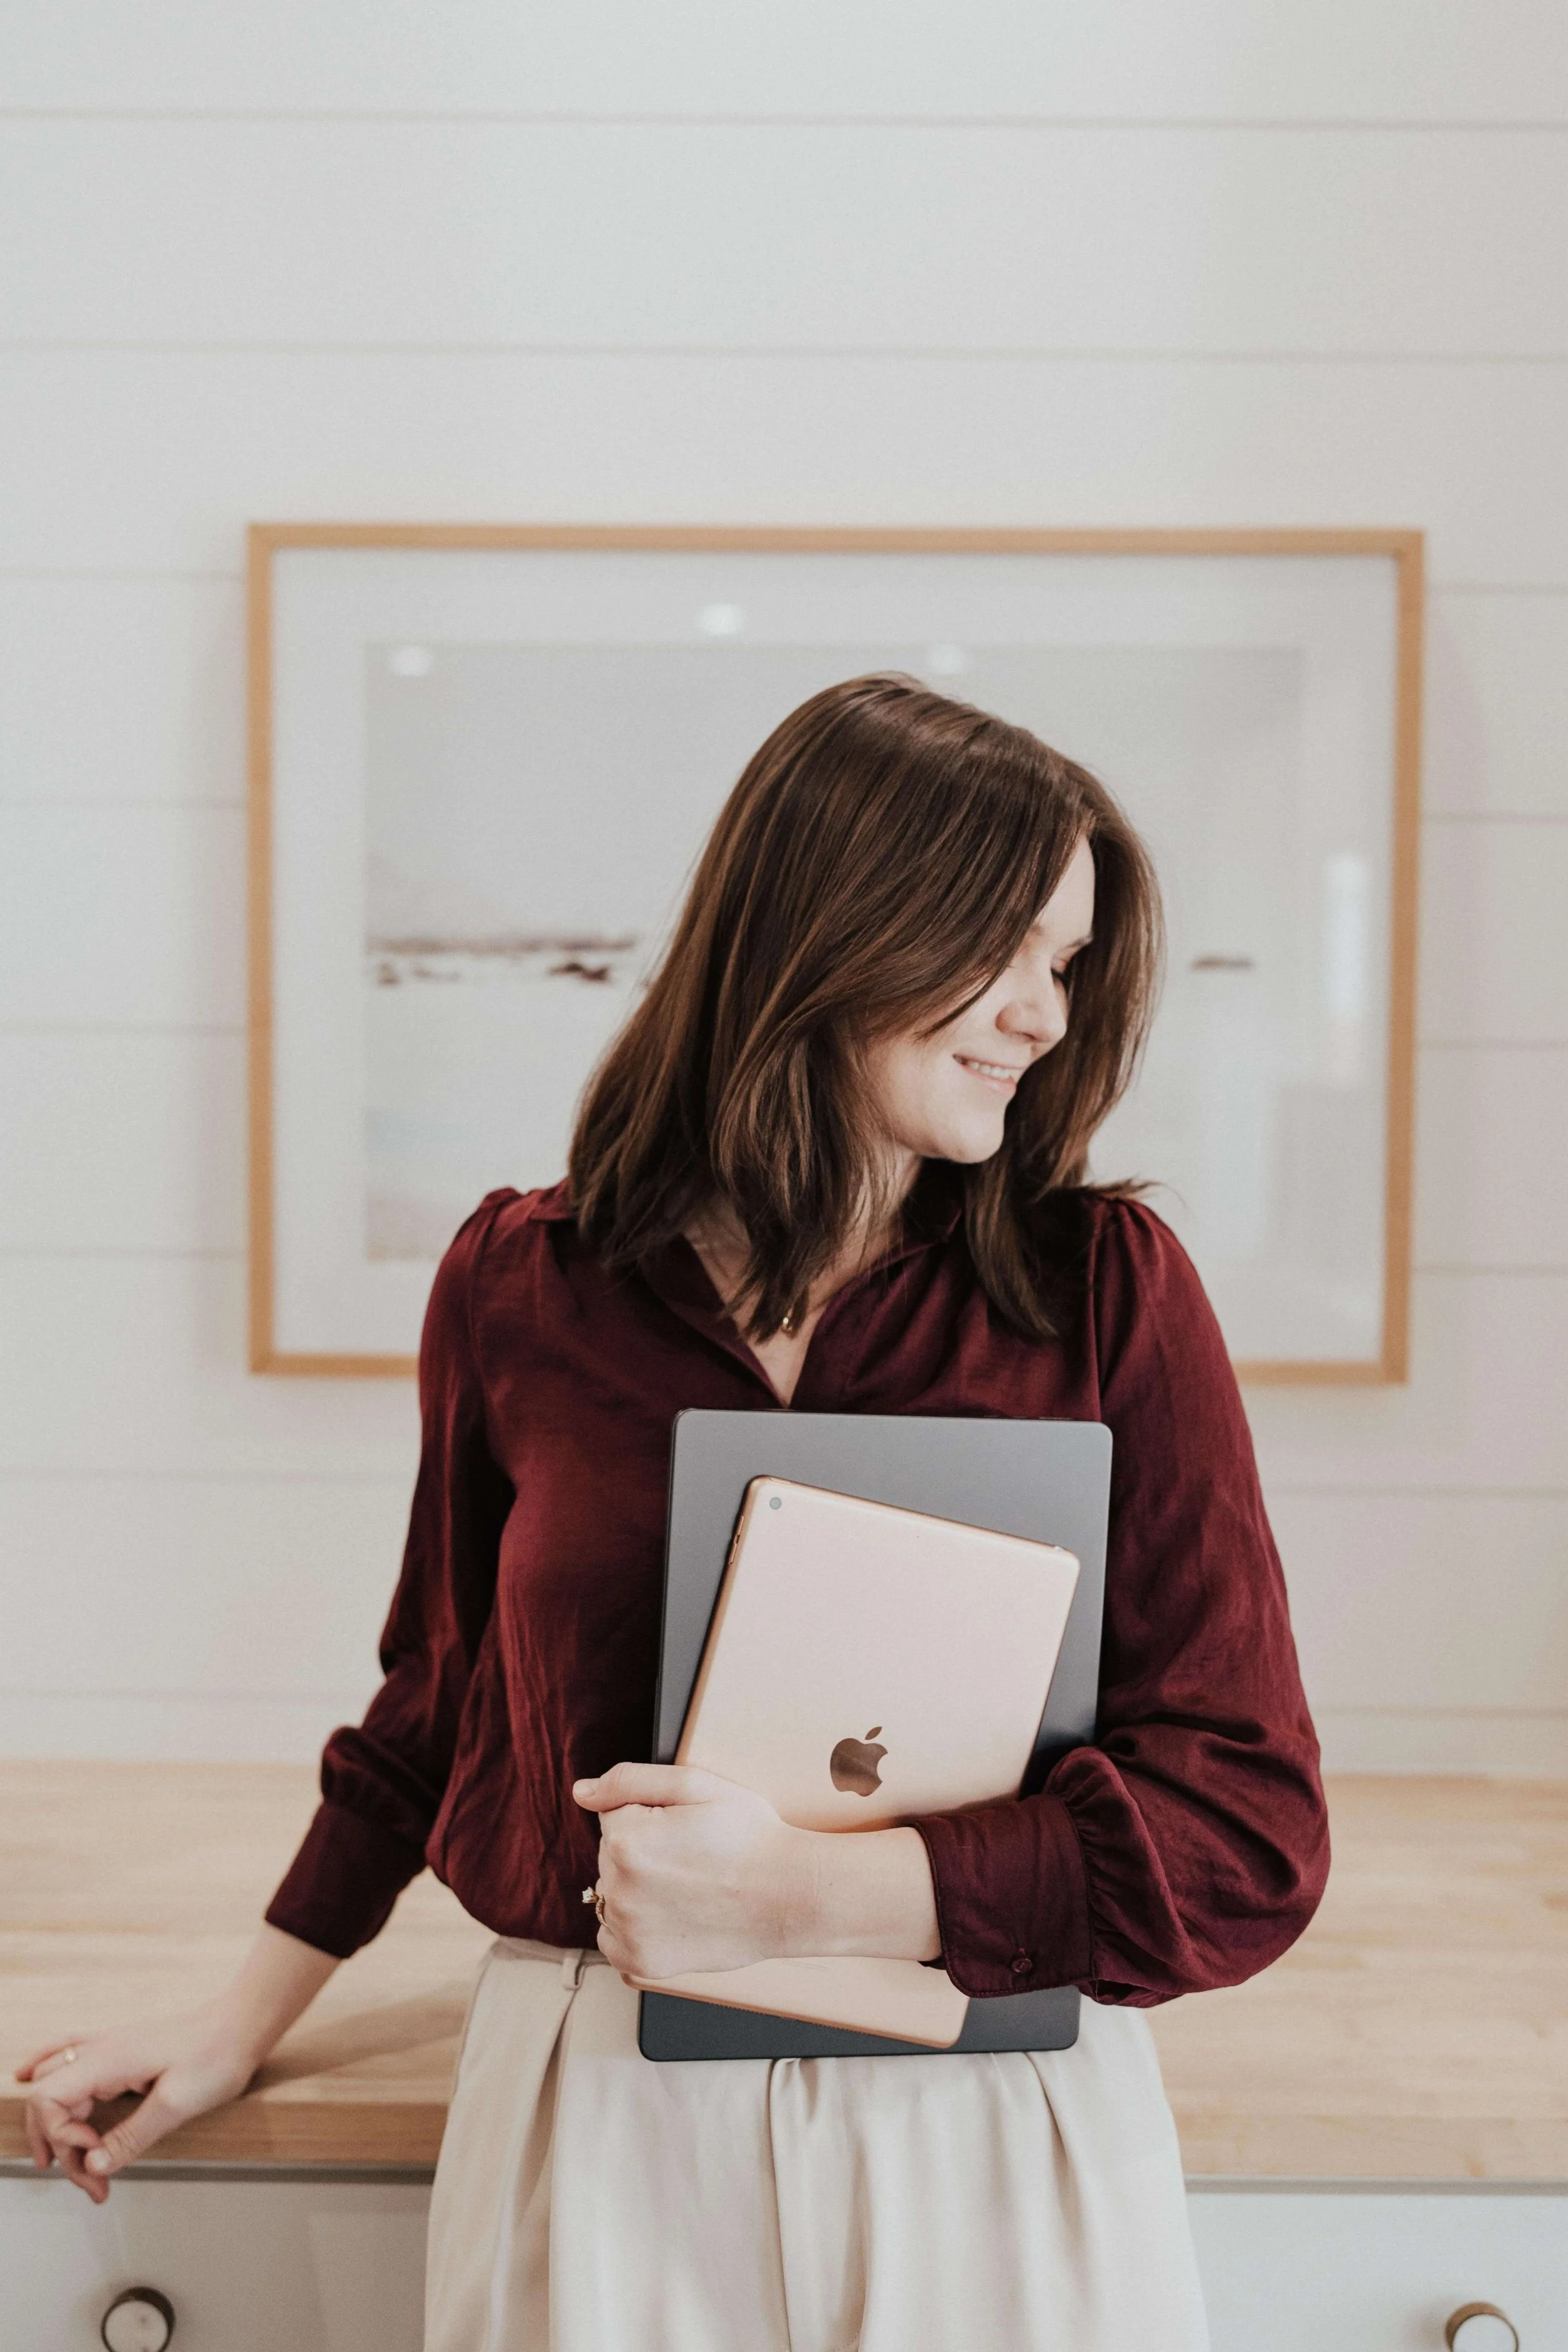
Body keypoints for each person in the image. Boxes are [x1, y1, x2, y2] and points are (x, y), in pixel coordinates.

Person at [22, 674, 1329, 2349]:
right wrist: (233, 2021)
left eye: (1065, 965)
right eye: (1004, 947)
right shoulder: (521, 1280)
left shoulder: (1106, 1297)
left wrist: (816, 1898)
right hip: (599, 2123)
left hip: (989, 2128)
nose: (1041, 1016)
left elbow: (1246, 1834)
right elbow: (436, 1705)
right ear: (836, 921)